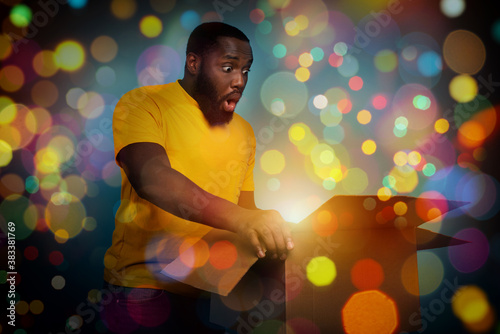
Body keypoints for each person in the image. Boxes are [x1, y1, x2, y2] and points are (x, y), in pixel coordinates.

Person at [100, 22, 294, 333]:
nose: (240, 80)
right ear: (194, 63)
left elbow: (246, 213)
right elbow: (153, 179)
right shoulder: (144, 103)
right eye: (228, 67)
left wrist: (274, 229)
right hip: (142, 291)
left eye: (246, 70)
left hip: (213, 295)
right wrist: (243, 219)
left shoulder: (244, 131)